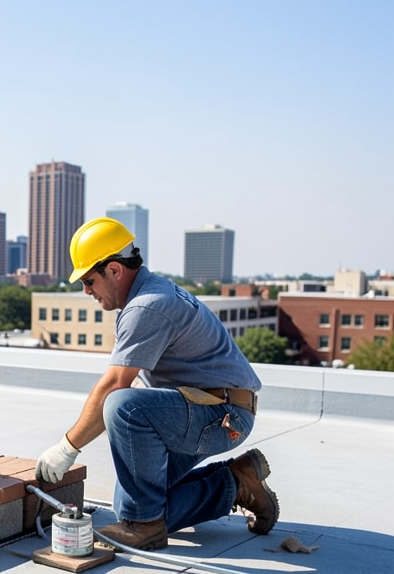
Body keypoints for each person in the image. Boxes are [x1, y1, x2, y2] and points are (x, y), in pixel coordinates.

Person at [35, 217, 278, 550]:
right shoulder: (148, 295)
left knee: (122, 405)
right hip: (202, 407)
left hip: (223, 414)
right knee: (129, 506)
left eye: (89, 280)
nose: (86, 291)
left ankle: (145, 527)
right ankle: (236, 483)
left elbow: (114, 386)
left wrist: (67, 448)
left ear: (115, 270)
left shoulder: (147, 306)